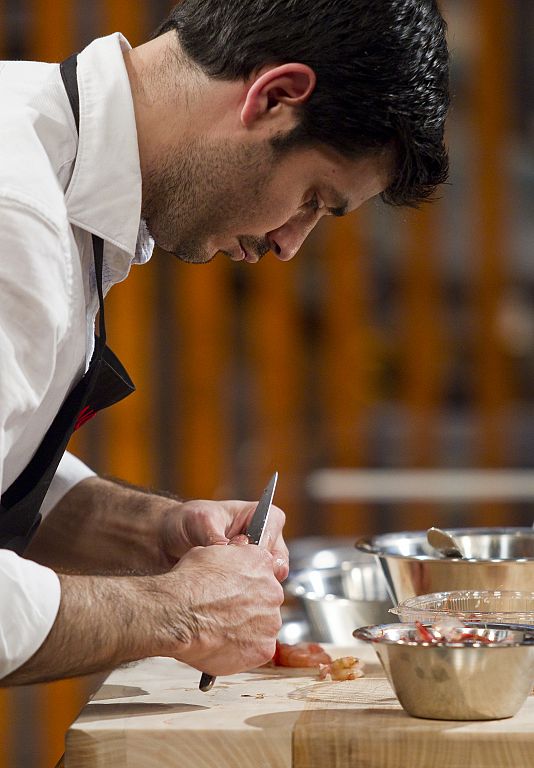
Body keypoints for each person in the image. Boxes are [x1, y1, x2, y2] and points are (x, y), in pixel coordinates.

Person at [0, 0, 449, 685]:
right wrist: (178, 613)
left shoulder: (51, 159)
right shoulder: (16, 213)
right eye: (314, 198)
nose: (290, 244)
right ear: (275, 97)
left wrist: (155, 533)